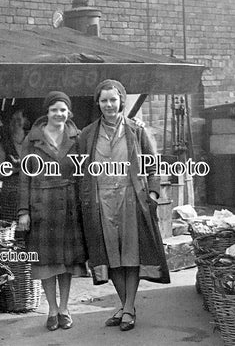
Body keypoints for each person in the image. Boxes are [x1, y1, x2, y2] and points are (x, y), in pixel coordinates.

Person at [78, 79, 170, 332]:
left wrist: (151, 194)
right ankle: (126, 305)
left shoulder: (137, 130)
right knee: (112, 257)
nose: (109, 104)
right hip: (102, 202)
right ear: (98, 103)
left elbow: (153, 165)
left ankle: (128, 307)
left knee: (130, 256)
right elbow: (79, 170)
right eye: (104, 100)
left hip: (131, 199)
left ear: (121, 101)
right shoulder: (87, 134)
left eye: (113, 99)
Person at [17, 91, 87, 331]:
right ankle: (52, 309)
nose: (59, 114)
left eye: (63, 110)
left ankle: (65, 309)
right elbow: (24, 177)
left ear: (69, 113)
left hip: (68, 206)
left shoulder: (78, 137)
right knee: (47, 264)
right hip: (41, 206)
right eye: (54, 109)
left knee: (66, 263)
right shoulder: (32, 139)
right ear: (47, 112)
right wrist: (23, 211)